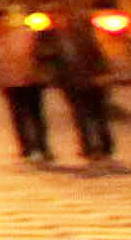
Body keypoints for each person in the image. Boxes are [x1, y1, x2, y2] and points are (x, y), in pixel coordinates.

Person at [40, 22, 118, 163]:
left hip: (93, 82)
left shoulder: (85, 40)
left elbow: (99, 57)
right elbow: (47, 61)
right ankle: (88, 147)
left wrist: (103, 75)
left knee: (98, 115)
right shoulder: (51, 41)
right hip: (71, 84)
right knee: (80, 117)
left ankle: (106, 146)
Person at [0, 13, 50, 161]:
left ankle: (43, 147)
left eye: (4, 20)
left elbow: (38, 54)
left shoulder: (23, 35)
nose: (2, 24)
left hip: (31, 81)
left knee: (36, 116)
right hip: (10, 83)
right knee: (19, 117)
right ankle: (26, 148)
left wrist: (41, 72)